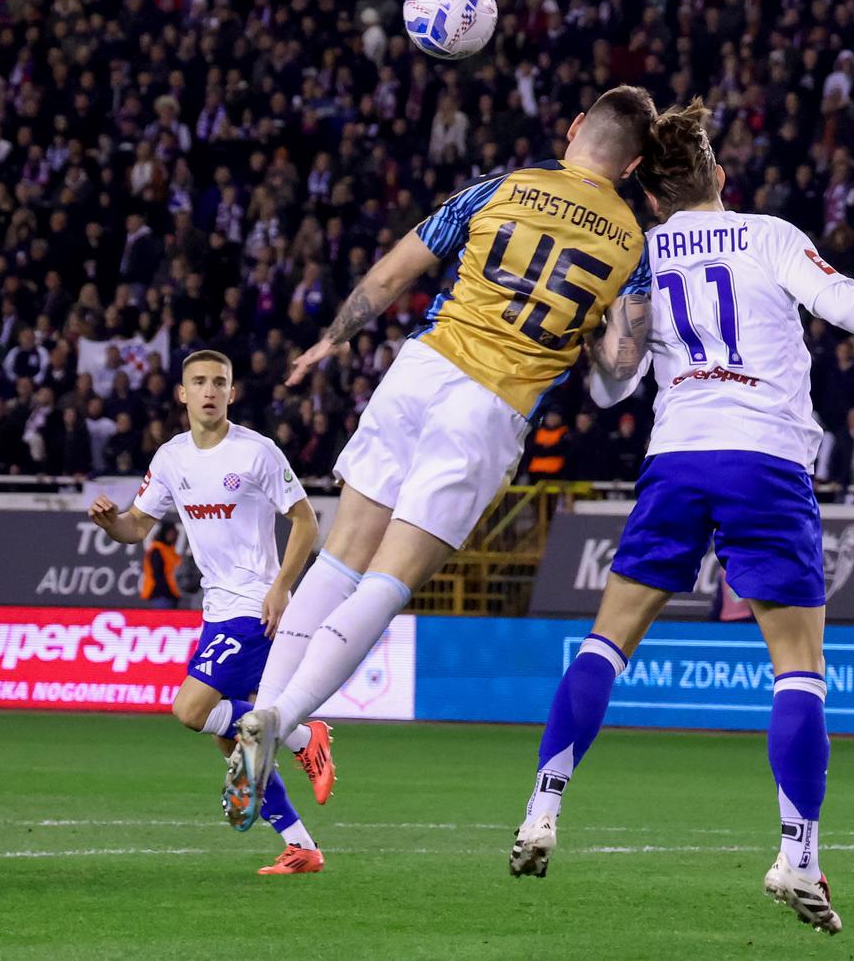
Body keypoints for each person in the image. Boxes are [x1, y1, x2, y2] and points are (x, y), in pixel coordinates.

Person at [506, 100, 854, 933]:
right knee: (798, 668)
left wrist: (603, 341)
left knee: (606, 641)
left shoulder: (642, 253)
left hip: (677, 457)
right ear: (719, 175)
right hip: (765, 458)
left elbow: (613, 386)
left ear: (654, 196)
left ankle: (542, 807)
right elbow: (845, 304)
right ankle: (797, 855)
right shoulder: (767, 235)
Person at [232, 86, 659, 808]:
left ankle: (265, 711)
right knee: (389, 579)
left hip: (420, 368)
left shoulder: (500, 187)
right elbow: (617, 375)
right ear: (632, 166)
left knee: (341, 554)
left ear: (575, 127)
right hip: (492, 403)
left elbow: (393, 273)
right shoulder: (633, 247)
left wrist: (332, 339)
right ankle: (282, 717)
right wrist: (592, 336)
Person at [86, 350, 327, 875]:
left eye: (219, 381)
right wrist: (110, 522)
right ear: (183, 394)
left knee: (191, 710)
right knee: (228, 736)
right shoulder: (171, 458)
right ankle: (301, 846)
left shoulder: (257, 452)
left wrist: (281, 588)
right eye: (199, 382)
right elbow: (135, 526)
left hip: (255, 606)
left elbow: (306, 521)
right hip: (217, 611)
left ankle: (304, 737)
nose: (210, 390)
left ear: (232, 393)